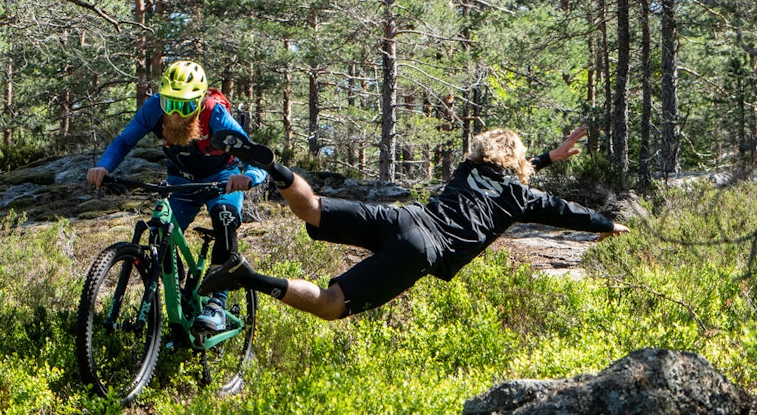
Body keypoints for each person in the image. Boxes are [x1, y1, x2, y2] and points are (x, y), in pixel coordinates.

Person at [199, 124, 630, 320]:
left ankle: (279, 173)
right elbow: (564, 211)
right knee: (331, 304)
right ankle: (251, 280)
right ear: (516, 161)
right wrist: (606, 224)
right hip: (423, 250)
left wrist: (548, 158)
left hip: (404, 218)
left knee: (311, 207)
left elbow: (513, 171)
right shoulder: (522, 196)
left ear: (480, 154)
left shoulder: (467, 169)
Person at [87, 60, 268, 332]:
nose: (175, 114)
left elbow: (255, 156)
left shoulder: (215, 114)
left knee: (225, 219)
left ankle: (217, 304)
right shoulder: (154, 109)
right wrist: (104, 166)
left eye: (184, 106)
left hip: (220, 180)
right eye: (169, 103)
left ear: (198, 102)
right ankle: (177, 297)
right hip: (180, 182)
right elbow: (124, 141)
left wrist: (249, 176)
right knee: (161, 235)